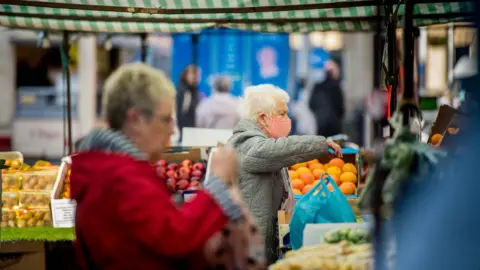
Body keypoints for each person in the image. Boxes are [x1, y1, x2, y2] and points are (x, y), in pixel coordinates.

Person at [71, 63, 244, 270]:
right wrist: (216, 181)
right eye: (165, 119)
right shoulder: (123, 178)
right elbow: (175, 236)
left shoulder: (102, 167)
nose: (172, 129)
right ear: (135, 119)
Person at [227, 84, 342, 264]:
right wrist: (320, 145)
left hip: (266, 246)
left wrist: (286, 248)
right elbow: (280, 149)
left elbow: (283, 204)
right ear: (263, 118)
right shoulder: (247, 144)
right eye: (282, 114)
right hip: (250, 252)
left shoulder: (267, 143)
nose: (287, 119)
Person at [308, 60, 345, 137]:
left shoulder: (317, 87)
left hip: (321, 123)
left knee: (322, 145)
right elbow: (341, 108)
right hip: (335, 125)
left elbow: (311, 104)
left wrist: (319, 114)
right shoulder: (336, 87)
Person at [176, 65, 200, 138]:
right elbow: (180, 115)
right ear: (186, 74)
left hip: (192, 133)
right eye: (193, 74)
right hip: (184, 133)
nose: (195, 77)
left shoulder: (195, 92)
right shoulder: (183, 92)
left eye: (197, 75)